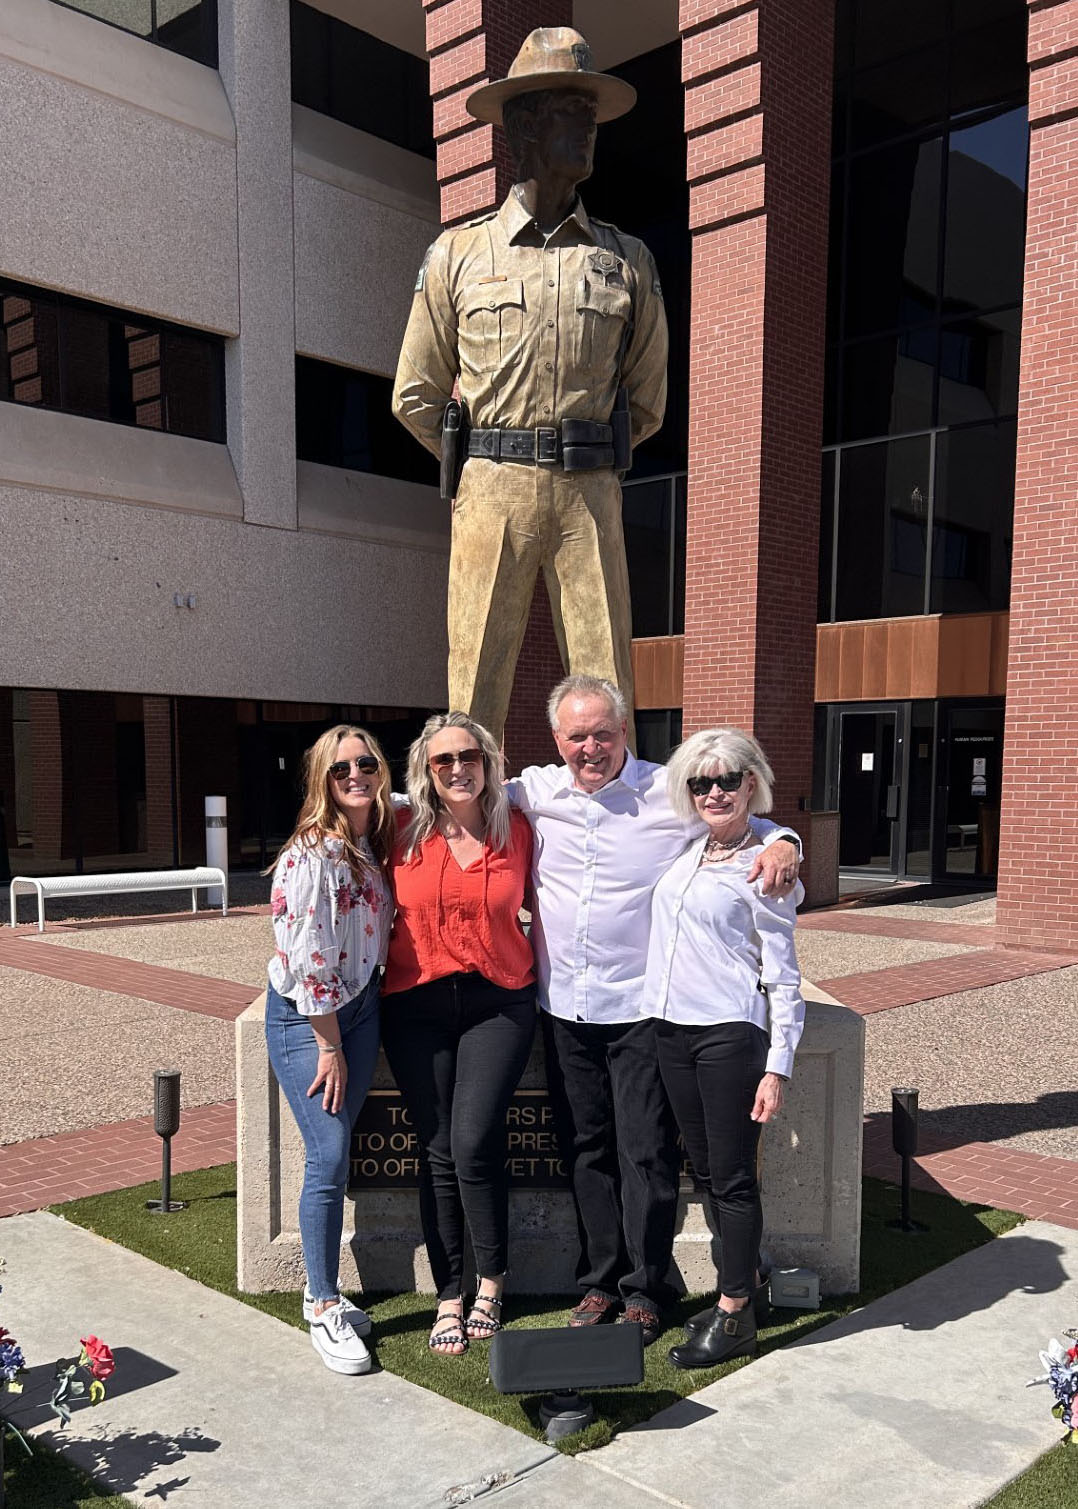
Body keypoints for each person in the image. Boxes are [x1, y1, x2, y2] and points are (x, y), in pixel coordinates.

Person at [392, 27, 667, 745]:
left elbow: (646, 399)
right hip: (491, 486)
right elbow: (415, 393)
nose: (589, 128)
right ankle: (468, 842)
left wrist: (581, 450)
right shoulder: (458, 253)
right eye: (570, 111)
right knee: (473, 695)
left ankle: (616, 840)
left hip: (589, 489)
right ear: (523, 125)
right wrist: (487, 455)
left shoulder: (626, 261)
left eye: (592, 113)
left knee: (608, 697)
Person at [508, 675, 801, 1346]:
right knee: (586, 1150)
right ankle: (600, 1278)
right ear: (558, 741)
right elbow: (453, 796)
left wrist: (788, 840)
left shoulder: (669, 790)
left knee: (646, 1153)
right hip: (564, 1008)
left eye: (603, 733)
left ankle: (647, 1287)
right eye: (577, 736)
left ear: (625, 733)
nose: (591, 747)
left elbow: (741, 813)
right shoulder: (537, 791)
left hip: (640, 1010)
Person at [644, 728, 805, 1369]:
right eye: (700, 782)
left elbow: (783, 973)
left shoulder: (765, 864)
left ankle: (735, 1312)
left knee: (733, 1178)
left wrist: (778, 1066)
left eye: (728, 780)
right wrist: (785, 837)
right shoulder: (691, 849)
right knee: (706, 1173)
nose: (714, 792)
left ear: (751, 784)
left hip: (729, 1036)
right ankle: (745, 1282)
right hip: (671, 1032)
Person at [381, 713, 536, 1357]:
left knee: (473, 1141)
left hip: (497, 999)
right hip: (414, 1002)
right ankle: (449, 1293)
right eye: (441, 761)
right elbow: (325, 829)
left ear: (489, 760)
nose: (456, 769)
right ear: (426, 770)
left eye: (467, 755)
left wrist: (782, 837)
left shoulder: (522, 826)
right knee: (438, 1146)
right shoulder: (398, 828)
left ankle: (493, 1283)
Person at [265, 725, 396, 1376]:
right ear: (321, 775)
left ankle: (328, 1291)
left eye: (366, 761)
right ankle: (320, 1302)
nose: (355, 773)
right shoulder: (310, 853)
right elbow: (309, 955)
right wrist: (330, 1046)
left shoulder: (371, 841)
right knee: (331, 1151)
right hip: (310, 1019)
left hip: (363, 1005)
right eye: (340, 765)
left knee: (339, 1147)